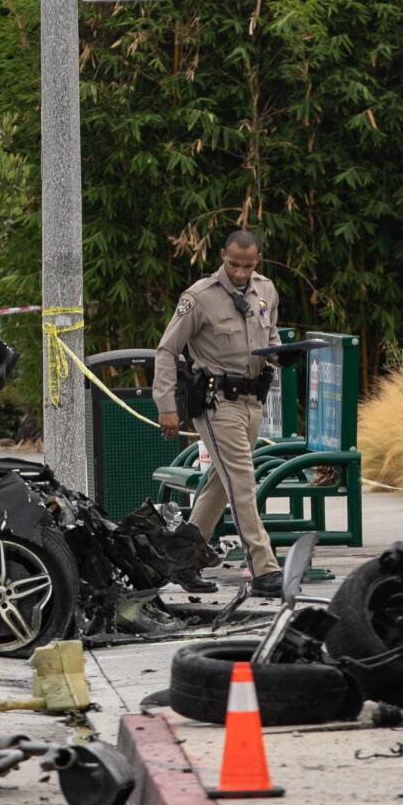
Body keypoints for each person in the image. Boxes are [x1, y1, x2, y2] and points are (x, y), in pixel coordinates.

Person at [153, 230, 287, 598]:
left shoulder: (266, 291)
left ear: (257, 261)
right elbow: (168, 350)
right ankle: (263, 567)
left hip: (251, 401)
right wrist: (166, 406)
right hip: (216, 403)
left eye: (248, 265)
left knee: (220, 484)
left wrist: (284, 354)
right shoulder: (199, 298)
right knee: (242, 482)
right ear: (222, 256)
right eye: (233, 264)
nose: (240, 272)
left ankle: (183, 558)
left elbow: (270, 340)